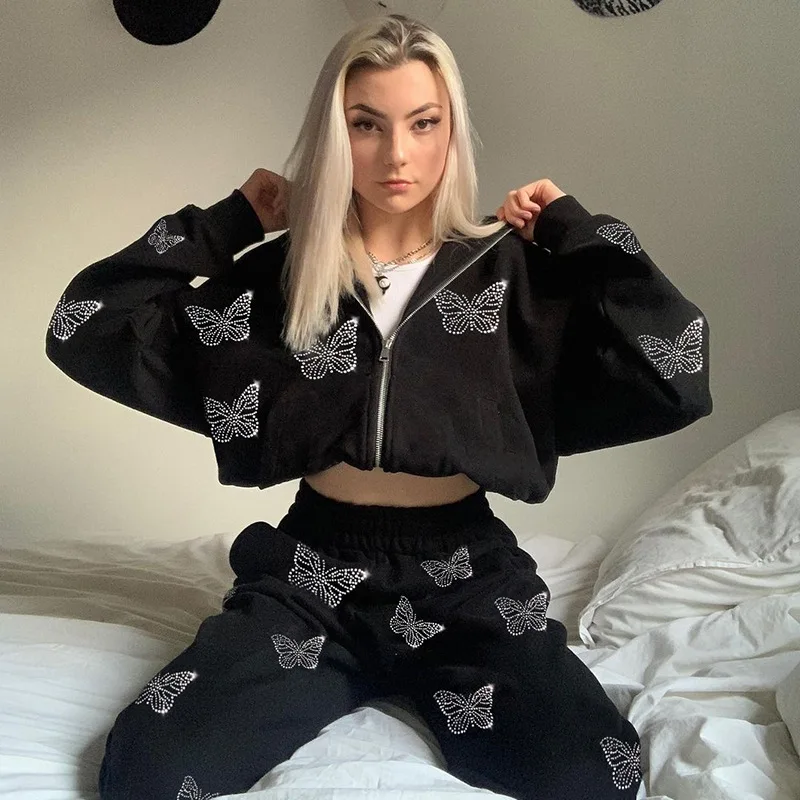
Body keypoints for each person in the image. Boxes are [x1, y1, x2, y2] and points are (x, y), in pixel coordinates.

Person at [45, 13, 711, 800]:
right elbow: (83, 325)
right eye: (367, 124)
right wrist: (230, 223)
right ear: (335, 135)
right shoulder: (286, 278)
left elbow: (678, 368)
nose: (397, 154)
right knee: (148, 769)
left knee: (596, 775)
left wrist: (578, 232)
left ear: (451, 131)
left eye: (423, 123)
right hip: (312, 572)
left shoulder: (512, 276)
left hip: (465, 573)